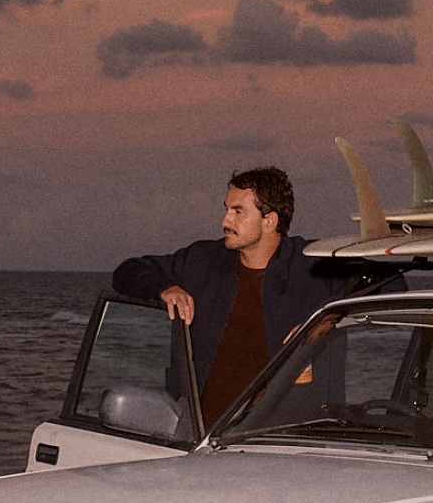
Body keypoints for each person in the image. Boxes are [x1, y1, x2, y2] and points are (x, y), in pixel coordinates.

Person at [112, 166, 374, 428]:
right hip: (201, 439)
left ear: (269, 221)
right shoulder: (203, 261)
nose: (225, 221)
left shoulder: (314, 265)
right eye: (227, 209)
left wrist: (327, 320)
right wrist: (165, 287)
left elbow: (383, 283)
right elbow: (127, 270)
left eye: (237, 212)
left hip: (287, 440)